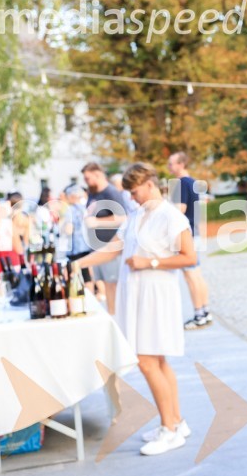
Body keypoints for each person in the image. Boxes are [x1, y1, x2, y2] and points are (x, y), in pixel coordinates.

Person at [77, 163, 196, 455]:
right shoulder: (137, 215)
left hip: (157, 294)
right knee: (157, 361)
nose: (132, 197)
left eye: (134, 191)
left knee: (147, 361)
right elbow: (114, 249)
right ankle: (176, 422)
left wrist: (150, 262)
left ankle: (169, 429)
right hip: (137, 294)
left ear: (150, 184)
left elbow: (189, 257)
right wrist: (77, 265)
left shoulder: (171, 217)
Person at [167, 152, 213, 329]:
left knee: (190, 275)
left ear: (181, 164)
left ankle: (198, 314)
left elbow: (179, 210)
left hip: (187, 234)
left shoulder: (180, 184)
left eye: (171, 164)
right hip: (196, 231)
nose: (169, 167)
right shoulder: (193, 182)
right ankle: (205, 311)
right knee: (197, 274)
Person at [82, 162, 130, 315]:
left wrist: (98, 222)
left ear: (98, 174)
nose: (86, 182)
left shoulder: (111, 193)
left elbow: (122, 217)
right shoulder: (93, 193)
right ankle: (111, 313)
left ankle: (116, 317)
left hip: (110, 247)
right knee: (105, 284)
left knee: (112, 285)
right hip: (97, 247)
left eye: (88, 178)